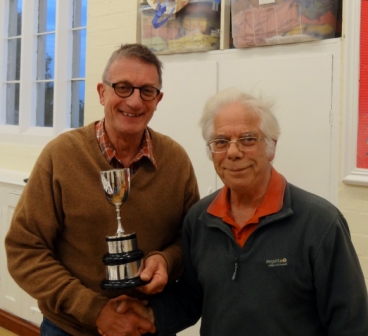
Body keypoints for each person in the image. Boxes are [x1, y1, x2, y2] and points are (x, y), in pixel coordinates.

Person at [119, 87, 368, 335]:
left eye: (248, 139)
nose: (233, 153)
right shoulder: (200, 219)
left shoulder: (320, 223)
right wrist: (148, 315)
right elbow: (192, 298)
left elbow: (351, 322)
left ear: (271, 146)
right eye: (221, 142)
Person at [5, 43, 199, 336]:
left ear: (158, 100)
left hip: (146, 325)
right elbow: (24, 250)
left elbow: (192, 241)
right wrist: (93, 310)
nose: (134, 102)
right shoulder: (61, 156)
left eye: (147, 91)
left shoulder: (176, 161)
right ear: (101, 92)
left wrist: (166, 260)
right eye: (123, 87)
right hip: (70, 328)